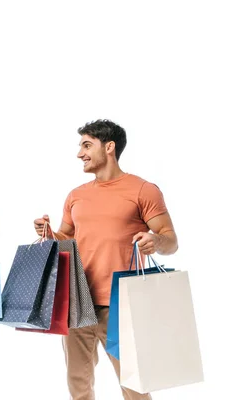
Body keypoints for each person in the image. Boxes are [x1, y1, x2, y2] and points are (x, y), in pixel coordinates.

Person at [33, 119, 178, 400]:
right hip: (78, 302)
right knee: (78, 385)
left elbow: (171, 240)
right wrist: (50, 234)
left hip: (122, 304)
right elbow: (68, 238)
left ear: (109, 147)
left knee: (135, 386)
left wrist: (156, 241)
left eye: (87, 145)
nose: (80, 153)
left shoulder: (143, 190)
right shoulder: (76, 196)